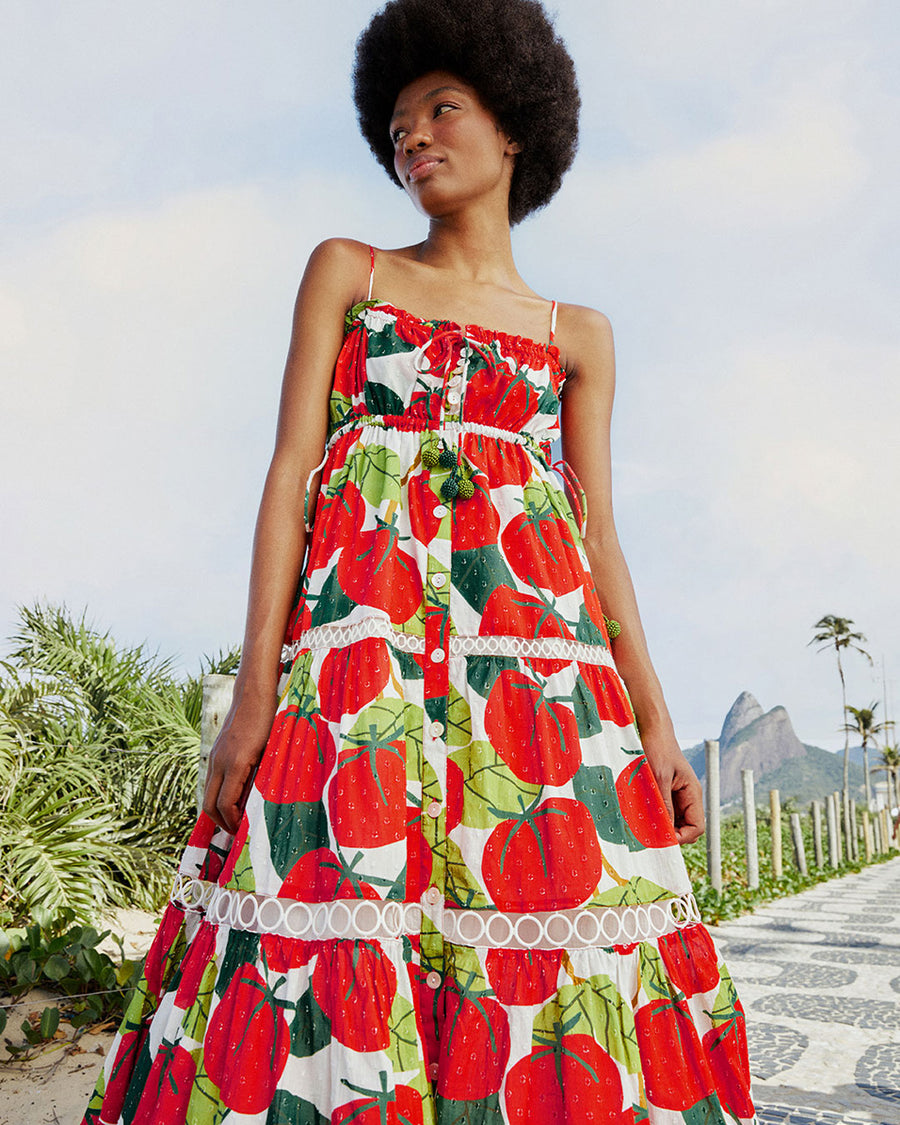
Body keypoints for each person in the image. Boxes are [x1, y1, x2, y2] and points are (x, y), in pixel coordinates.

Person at [83, 1, 756, 1122]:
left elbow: (595, 537)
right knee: (327, 908)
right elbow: (292, 471)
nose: (414, 138)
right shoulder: (350, 272)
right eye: (397, 125)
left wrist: (654, 720)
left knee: (550, 932)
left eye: (443, 109)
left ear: (516, 132)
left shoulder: (574, 333)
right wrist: (256, 693)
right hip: (360, 682)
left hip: (536, 694)